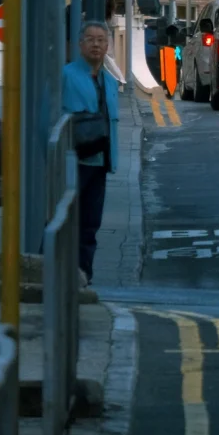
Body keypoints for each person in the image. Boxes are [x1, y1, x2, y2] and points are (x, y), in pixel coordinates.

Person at [61, 22, 119, 282]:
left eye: (101, 40)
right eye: (90, 39)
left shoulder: (109, 81)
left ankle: (84, 277)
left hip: (100, 162)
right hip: (73, 160)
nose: (96, 44)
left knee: (90, 226)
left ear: (107, 46)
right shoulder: (66, 75)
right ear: (80, 44)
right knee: (62, 222)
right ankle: (49, 275)